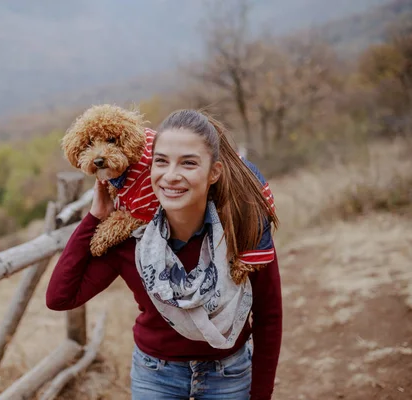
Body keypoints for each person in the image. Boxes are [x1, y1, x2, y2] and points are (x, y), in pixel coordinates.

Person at [46, 109, 282, 400]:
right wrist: (94, 217)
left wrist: (260, 395)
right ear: (149, 167)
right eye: (161, 162)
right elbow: (60, 297)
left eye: (189, 163)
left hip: (228, 375)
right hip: (155, 375)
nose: (171, 176)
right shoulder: (131, 240)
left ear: (214, 172)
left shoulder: (241, 228)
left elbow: (268, 317)